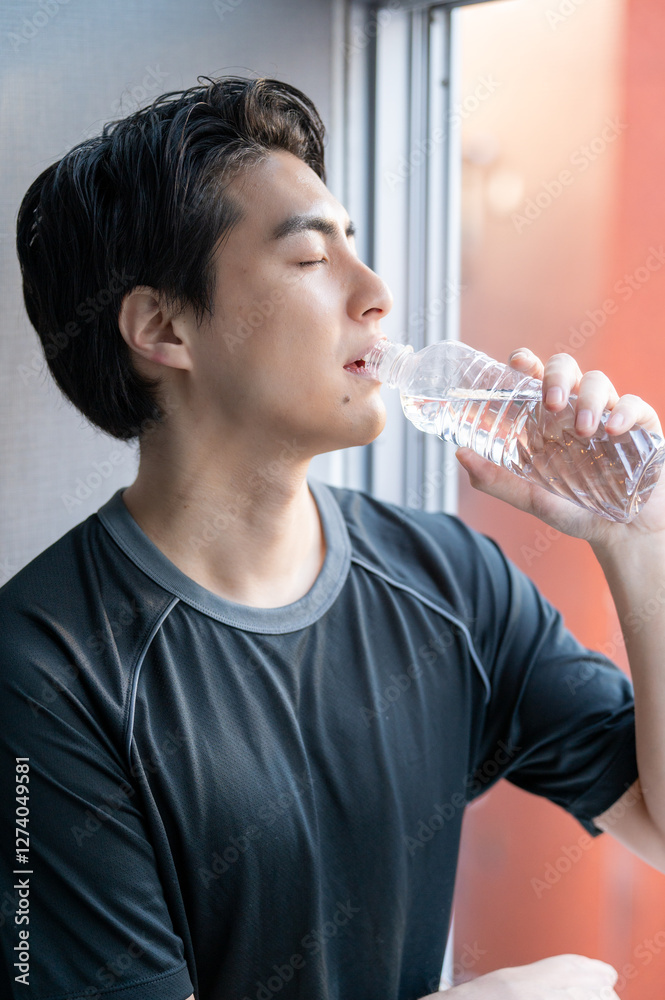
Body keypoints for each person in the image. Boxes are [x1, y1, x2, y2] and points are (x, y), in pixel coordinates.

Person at [1, 75, 663, 1000]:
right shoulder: (41, 672)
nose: (378, 295)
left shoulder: (450, 580)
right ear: (162, 327)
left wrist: (636, 541)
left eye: (356, 247)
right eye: (312, 261)